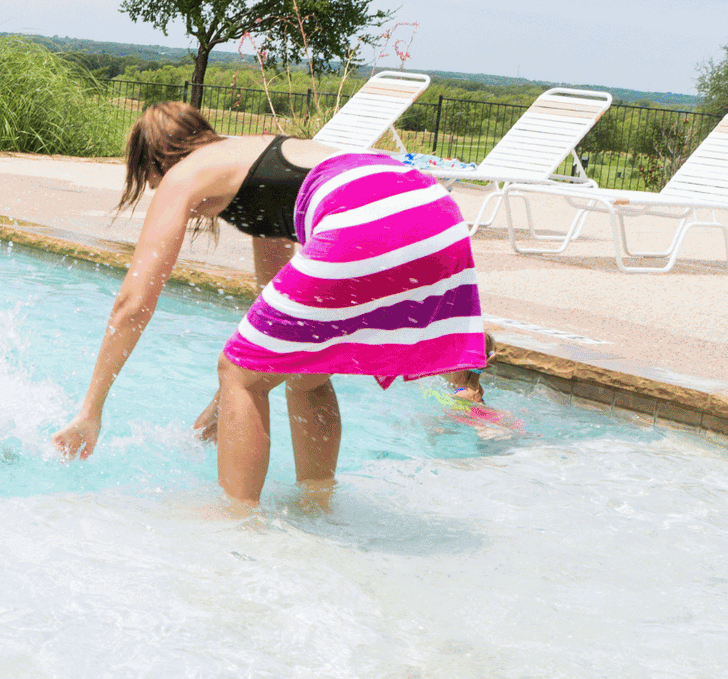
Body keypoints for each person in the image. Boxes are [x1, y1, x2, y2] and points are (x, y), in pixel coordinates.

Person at [51, 102, 488, 506]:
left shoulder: (185, 172)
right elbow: (277, 330)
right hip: (436, 212)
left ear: (159, 161)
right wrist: (224, 406)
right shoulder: (253, 161)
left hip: (369, 215)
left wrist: (91, 410)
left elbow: (134, 302)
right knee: (303, 368)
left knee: (237, 373)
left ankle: (235, 524)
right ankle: (317, 504)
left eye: (151, 184)